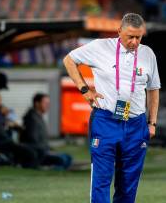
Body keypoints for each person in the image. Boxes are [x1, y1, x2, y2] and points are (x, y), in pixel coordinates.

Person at [63, 13, 160, 203]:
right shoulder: (100, 47)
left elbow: (154, 89)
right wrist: (84, 90)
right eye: (129, 36)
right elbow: (69, 60)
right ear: (119, 32)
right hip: (106, 120)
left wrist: (152, 123)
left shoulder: (147, 54)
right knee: (101, 178)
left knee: (128, 183)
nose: (134, 42)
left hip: (136, 124)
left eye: (138, 37)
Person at [0, 86, 39, 168]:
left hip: (7, 141)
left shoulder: (1, 111)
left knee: (37, 149)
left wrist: (9, 117)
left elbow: (19, 124)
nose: (0, 98)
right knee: (30, 153)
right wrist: (6, 124)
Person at [21, 93, 72, 169]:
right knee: (63, 159)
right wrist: (47, 151)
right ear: (37, 104)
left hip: (44, 150)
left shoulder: (38, 117)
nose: (48, 106)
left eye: (48, 103)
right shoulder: (31, 118)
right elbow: (32, 140)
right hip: (39, 153)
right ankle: (51, 170)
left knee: (68, 157)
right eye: (45, 103)